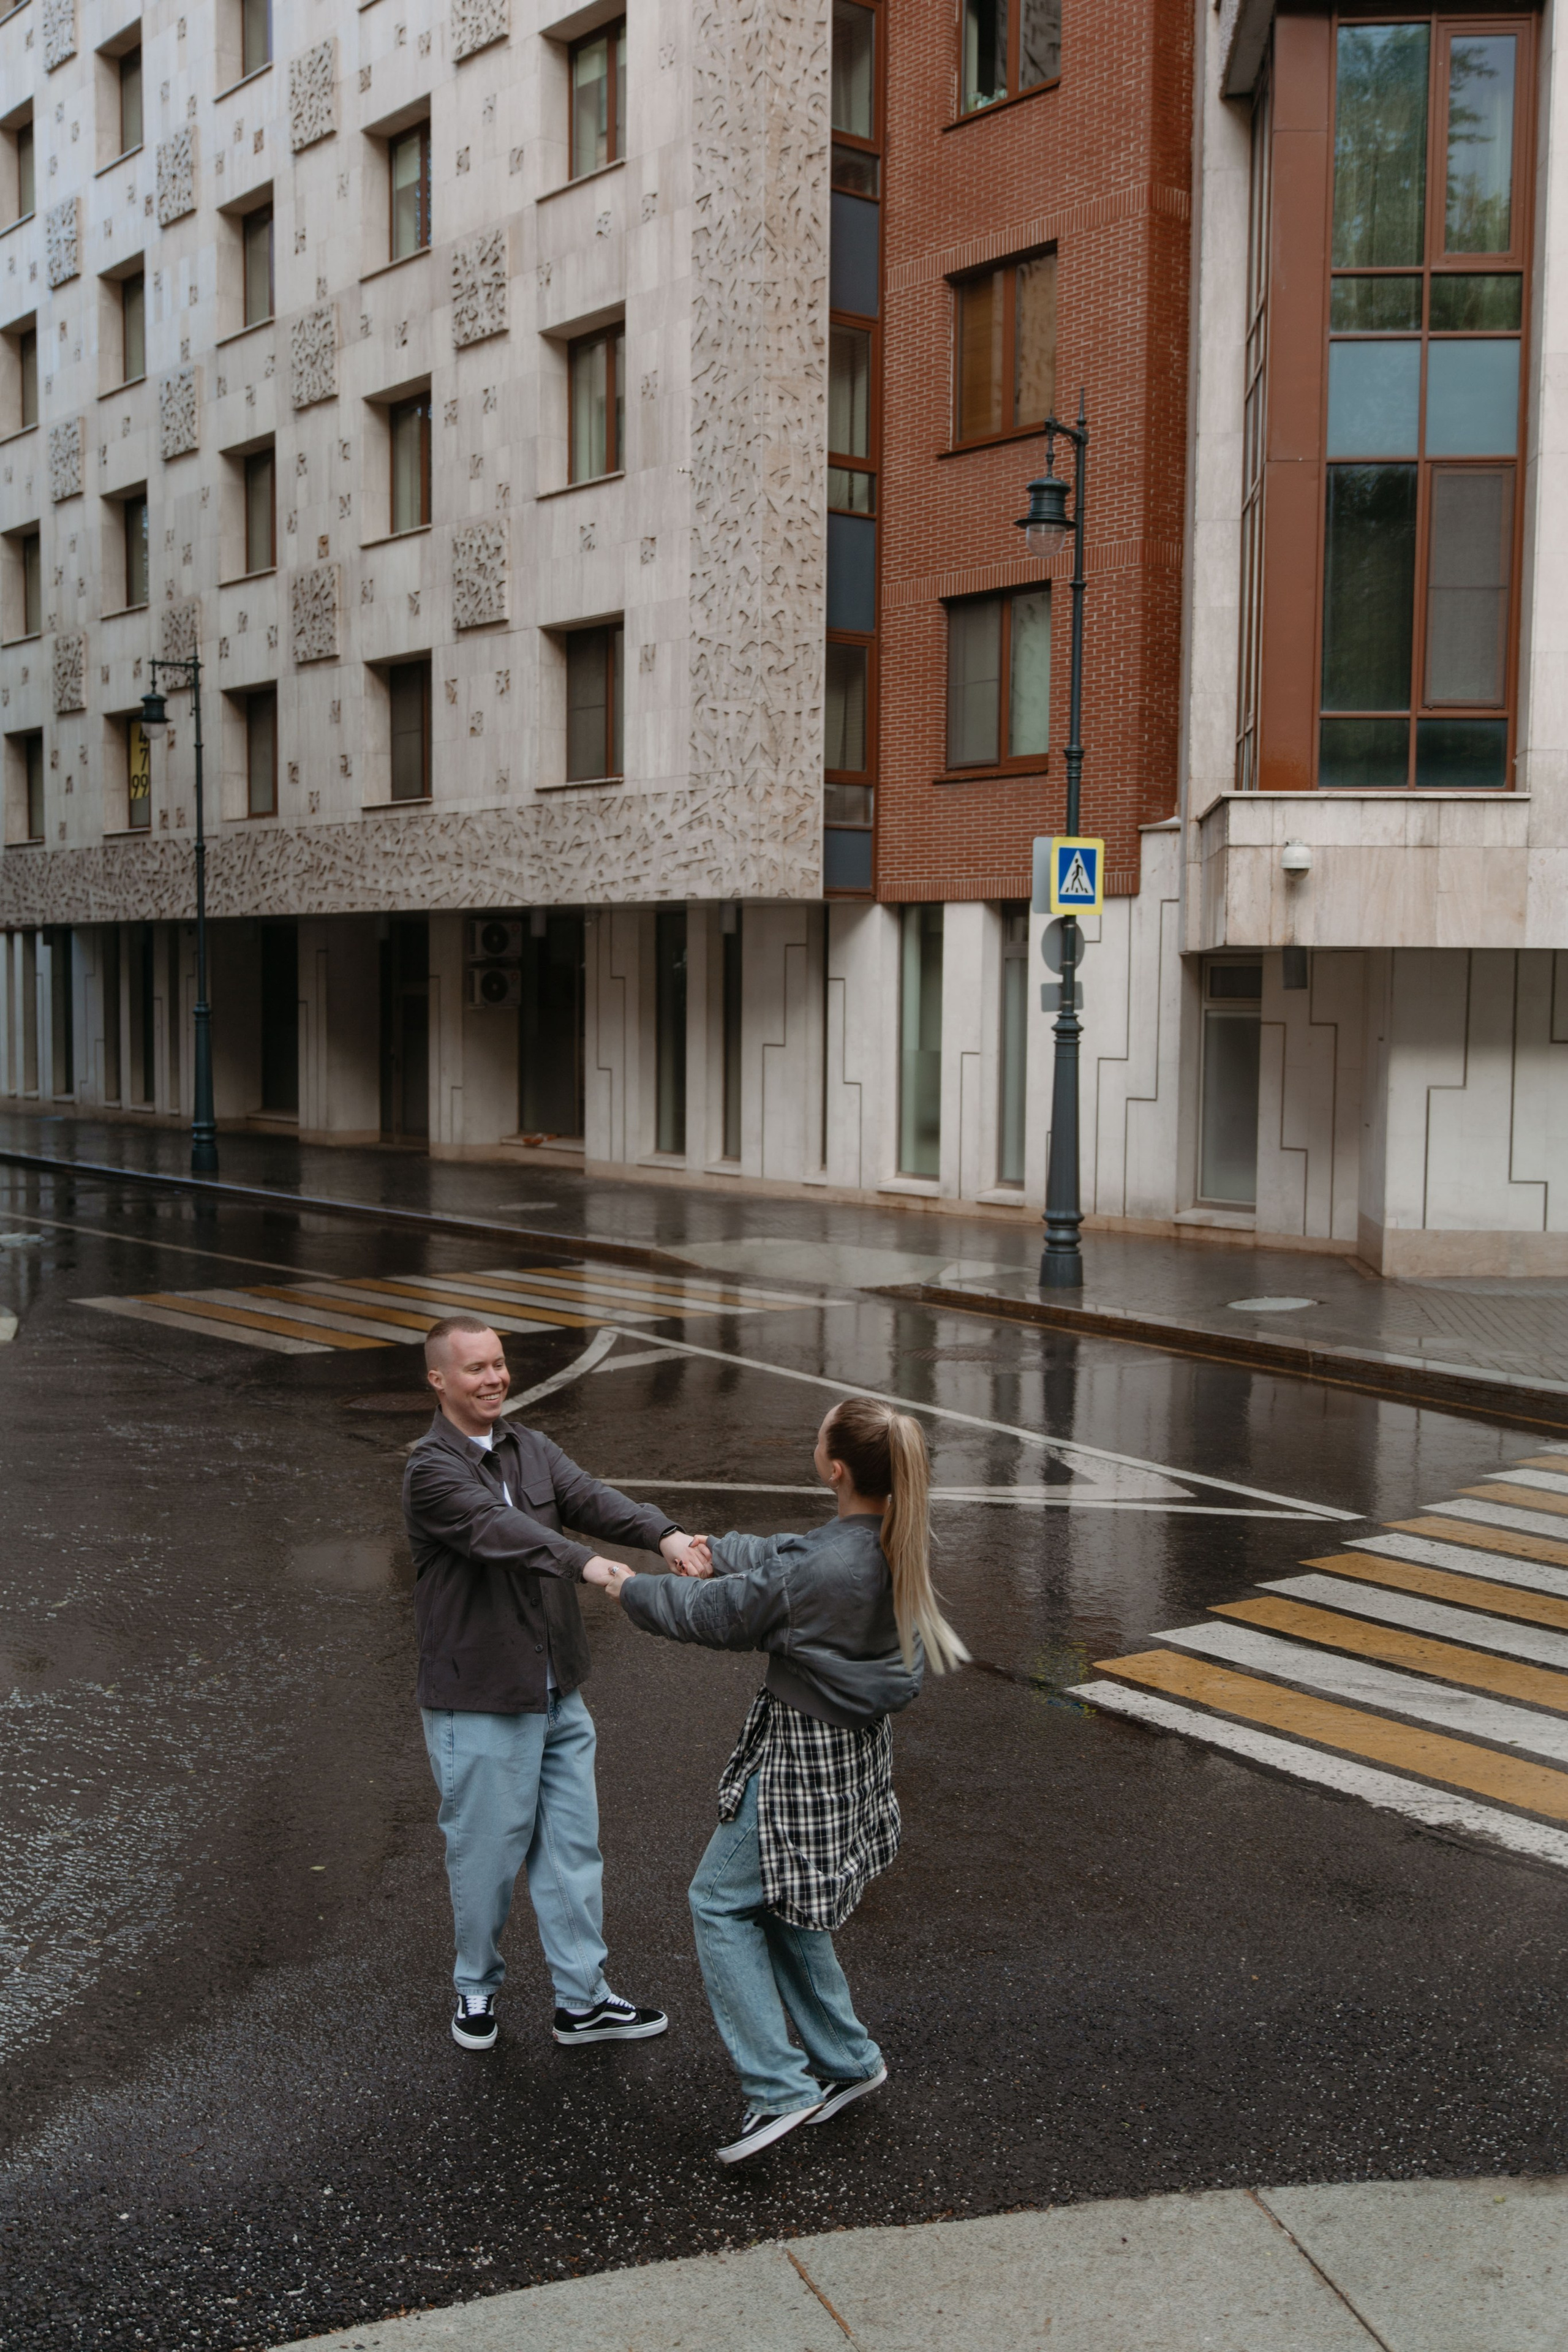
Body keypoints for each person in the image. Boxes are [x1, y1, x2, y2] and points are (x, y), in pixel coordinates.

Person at [585, 1395, 968, 2164]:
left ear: (834, 1466)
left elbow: (721, 1615)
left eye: (821, 1430)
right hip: (848, 1749)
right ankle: (848, 2062)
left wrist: (628, 1589)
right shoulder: (881, 1537)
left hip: (802, 1755)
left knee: (718, 1902)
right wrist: (704, 1546)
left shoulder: (827, 1569)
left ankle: (778, 2088)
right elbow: (784, 1556)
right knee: (786, 1907)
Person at [404, 1312, 704, 2054]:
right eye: (475, 1368)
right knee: (485, 1856)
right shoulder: (431, 1470)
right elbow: (499, 1532)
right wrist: (590, 1566)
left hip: (556, 1689)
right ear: (439, 1380)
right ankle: (475, 1987)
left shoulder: (528, 1447)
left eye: (499, 1364)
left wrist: (660, 1532)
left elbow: (590, 1497)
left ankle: (583, 1999)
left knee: (572, 1848)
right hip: (479, 1697)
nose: (495, 1378)